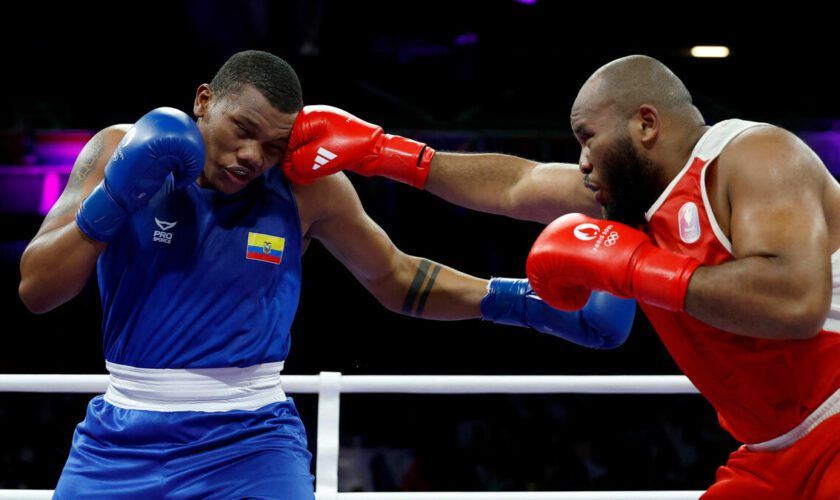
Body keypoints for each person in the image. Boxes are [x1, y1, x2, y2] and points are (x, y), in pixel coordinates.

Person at [17, 50, 634, 499]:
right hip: (122, 440)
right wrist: (118, 197)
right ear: (204, 99)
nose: (254, 156)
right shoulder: (118, 150)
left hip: (251, 442)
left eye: (275, 144)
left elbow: (395, 277)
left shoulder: (305, 187)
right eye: (242, 131)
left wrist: (520, 301)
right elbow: (37, 291)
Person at [282, 55, 840, 497]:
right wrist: (384, 153)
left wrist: (637, 268)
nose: (581, 160)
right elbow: (516, 184)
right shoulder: (632, 200)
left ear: (645, 124)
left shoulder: (757, 156)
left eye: (587, 136)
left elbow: (795, 302)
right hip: (770, 452)